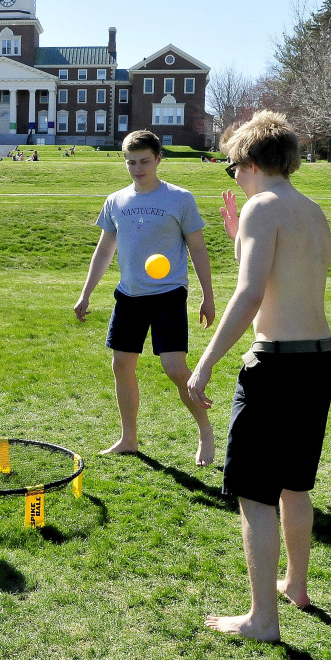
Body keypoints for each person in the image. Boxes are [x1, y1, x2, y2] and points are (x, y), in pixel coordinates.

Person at [186, 110, 331, 642]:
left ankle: (262, 620)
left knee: (255, 493)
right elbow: (283, 279)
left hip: (276, 363)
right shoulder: (309, 209)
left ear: (248, 162)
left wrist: (204, 364)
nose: (234, 179)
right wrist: (236, 235)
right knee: (295, 483)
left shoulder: (262, 209)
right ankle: (294, 585)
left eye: (232, 169)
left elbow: (250, 295)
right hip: (319, 359)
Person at [74, 129, 216, 465]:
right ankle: (129, 438)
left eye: (144, 161)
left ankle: (205, 432)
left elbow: (197, 248)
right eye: (131, 162)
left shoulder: (179, 198)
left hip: (168, 295)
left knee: (175, 369)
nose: (138, 168)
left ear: (158, 160)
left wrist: (207, 297)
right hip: (129, 296)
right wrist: (85, 294)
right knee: (121, 364)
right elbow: (104, 249)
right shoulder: (116, 201)